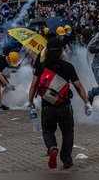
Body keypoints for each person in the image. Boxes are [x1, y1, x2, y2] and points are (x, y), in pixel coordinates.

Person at [28, 38, 92, 170]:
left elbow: (33, 85)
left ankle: (52, 148)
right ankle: (66, 159)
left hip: (47, 106)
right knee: (68, 132)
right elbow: (78, 86)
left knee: (47, 131)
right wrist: (86, 102)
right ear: (61, 51)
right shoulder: (68, 66)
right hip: (64, 106)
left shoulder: (40, 66)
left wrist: (30, 103)